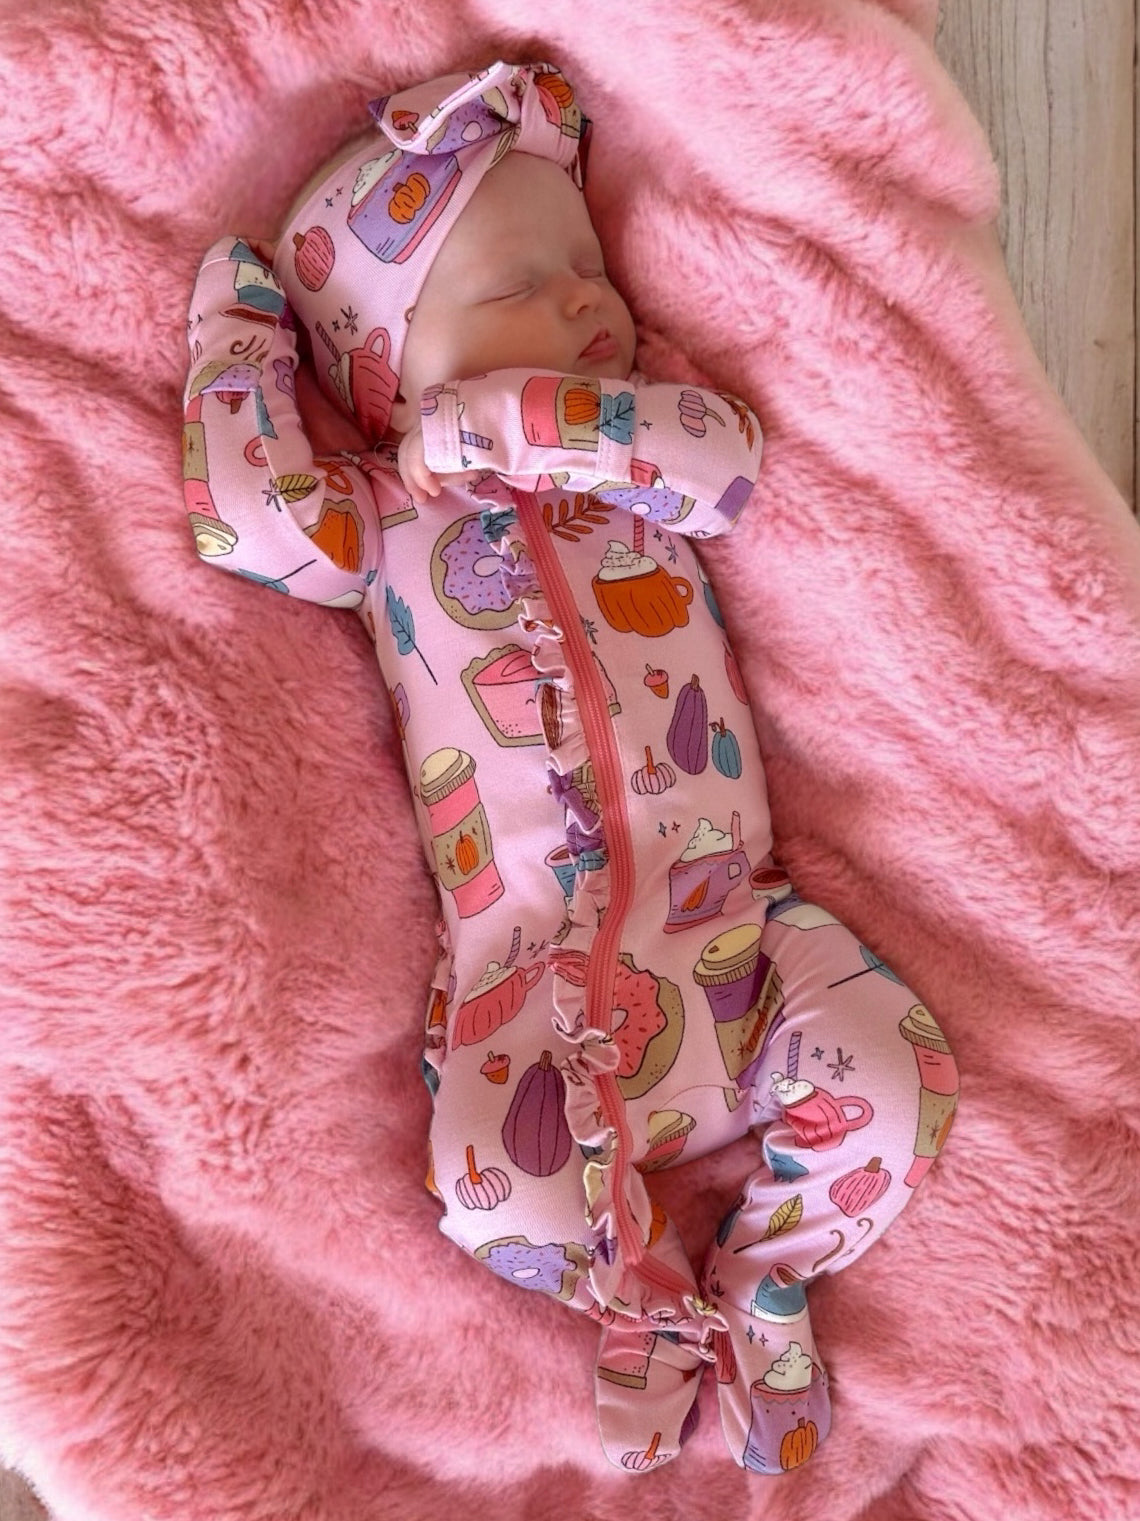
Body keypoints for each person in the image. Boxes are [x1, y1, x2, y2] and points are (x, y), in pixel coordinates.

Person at [180, 58, 960, 1474]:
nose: (593, 302)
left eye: (590, 267)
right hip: (523, 979)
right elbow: (245, 524)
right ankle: (642, 1298)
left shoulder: (639, 459)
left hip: (739, 938)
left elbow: (727, 460)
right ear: (387, 364)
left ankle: (771, 1269)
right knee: (491, 1197)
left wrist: (506, 423)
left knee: (897, 1074)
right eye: (526, 284)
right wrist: (235, 342)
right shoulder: (385, 519)